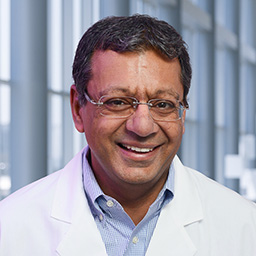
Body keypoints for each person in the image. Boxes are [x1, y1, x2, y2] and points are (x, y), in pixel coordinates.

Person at [0, 14, 256, 256]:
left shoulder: (246, 228)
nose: (143, 127)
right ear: (79, 109)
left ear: (183, 114)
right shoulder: (10, 228)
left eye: (163, 104)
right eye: (118, 102)